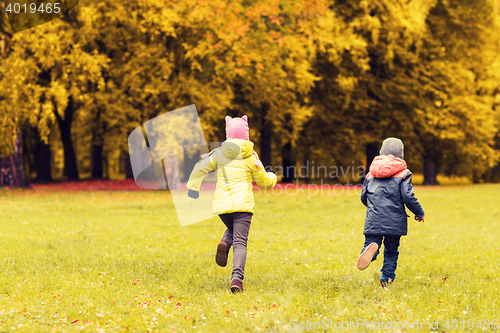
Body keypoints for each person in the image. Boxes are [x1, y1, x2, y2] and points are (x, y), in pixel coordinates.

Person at [186, 115, 277, 293]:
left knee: (233, 232)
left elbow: (200, 167)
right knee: (241, 242)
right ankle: (237, 279)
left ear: (228, 133)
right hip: (243, 207)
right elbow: (264, 181)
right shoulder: (251, 157)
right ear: (246, 134)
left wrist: (193, 188)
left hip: (223, 208)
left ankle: (225, 243)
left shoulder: (219, 153)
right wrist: (272, 175)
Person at [357, 137, 425, 287]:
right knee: (391, 250)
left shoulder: (371, 173)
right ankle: (386, 278)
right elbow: (408, 196)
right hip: (394, 220)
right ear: (401, 154)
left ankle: (371, 252)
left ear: (381, 152)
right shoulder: (403, 174)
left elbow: (364, 197)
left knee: (371, 241)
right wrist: (419, 212)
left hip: (373, 218)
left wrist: (374, 207)